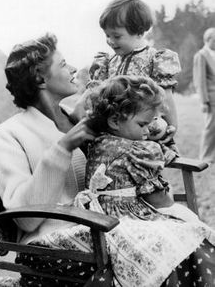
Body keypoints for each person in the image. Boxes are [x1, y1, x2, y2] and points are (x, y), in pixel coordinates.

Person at [75, 75, 215, 287]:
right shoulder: (138, 150)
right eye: (142, 124)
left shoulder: (97, 142)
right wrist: (169, 202)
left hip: (95, 215)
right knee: (188, 230)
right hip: (125, 219)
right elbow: (160, 201)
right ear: (114, 120)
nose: (148, 131)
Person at [0, 33, 97, 286]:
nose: (71, 69)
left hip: (98, 229)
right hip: (51, 249)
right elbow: (26, 218)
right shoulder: (9, 135)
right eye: (63, 64)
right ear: (40, 78)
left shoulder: (75, 120)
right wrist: (64, 147)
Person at [89, 0, 181, 145]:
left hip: (143, 130)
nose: (110, 41)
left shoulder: (154, 59)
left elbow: (166, 96)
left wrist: (172, 125)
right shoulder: (108, 62)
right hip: (114, 129)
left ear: (139, 32)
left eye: (117, 36)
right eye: (107, 35)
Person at [193, 27, 215, 163]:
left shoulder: (213, 54)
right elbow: (199, 80)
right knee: (210, 129)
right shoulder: (201, 55)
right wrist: (204, 102)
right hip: (210, 99)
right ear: (208, 39)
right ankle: (205, 157)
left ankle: (212, 157)